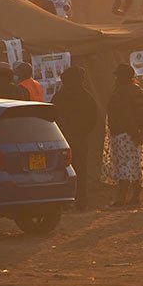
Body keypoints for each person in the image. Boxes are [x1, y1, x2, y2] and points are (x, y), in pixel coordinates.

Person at [52, 66, 98, 210]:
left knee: (62, 170)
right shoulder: (86, 97)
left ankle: (65, 200)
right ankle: (80, 200)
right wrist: (82, 133)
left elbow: (52, 116)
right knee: (79, 170)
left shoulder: (59, 96)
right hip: (78, 138)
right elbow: (93, 119)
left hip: (63, 139)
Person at [104, 64, 143, 209]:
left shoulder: (121, 92)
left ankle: (121, 199)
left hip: (124, 133)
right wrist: (141, 133)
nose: (116, 78)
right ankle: (135, 197)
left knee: (123, 166)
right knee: (135, 165)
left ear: (123, 77)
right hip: (136, 133)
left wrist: (133, 132)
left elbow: (125, 115)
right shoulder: (138, 90)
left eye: (118, 76)